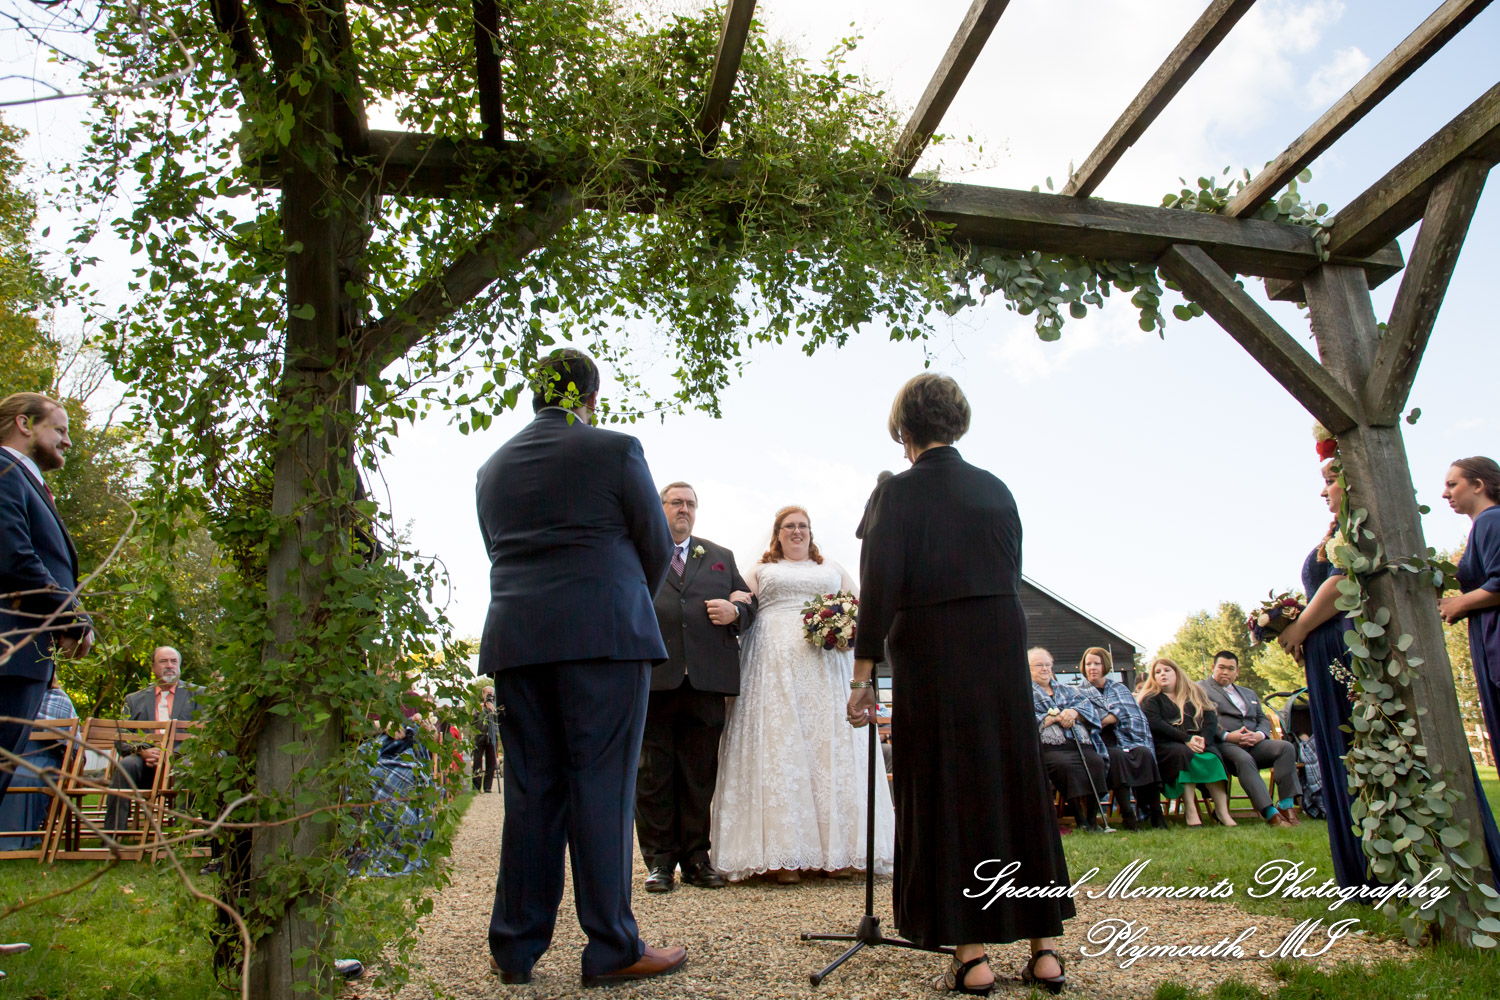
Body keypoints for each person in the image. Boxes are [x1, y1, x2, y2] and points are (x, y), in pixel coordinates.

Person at [849, 374, 1072, 996]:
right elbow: (1011, 571)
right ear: (957, 422)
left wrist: (863, 677)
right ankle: (1045, 948)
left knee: (947, 786)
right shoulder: (996, 489)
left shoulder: (895, 494)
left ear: (904, 431)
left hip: (934, 651)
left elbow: (880, 592)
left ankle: (972, 957)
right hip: (1000, 645)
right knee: (1012, 781)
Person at [475, 348, 684, 987]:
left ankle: (515, 948)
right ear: (591, 399)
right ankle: (612, 947)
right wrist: (617, 602)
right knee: (602, 786)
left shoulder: (492, 468)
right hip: (605, 641)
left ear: (536, 397)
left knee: (532, 790)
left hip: (518, 640)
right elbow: (657, 546)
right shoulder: (615, 450)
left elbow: (495, 547)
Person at [710, 505, 894, 884]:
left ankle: (838, 852)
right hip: (773, 668)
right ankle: (784, 856)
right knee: (781, 747)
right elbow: (742, 600)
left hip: (827, 667)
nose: (797, 532)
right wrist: (734, 605)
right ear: (776, 533)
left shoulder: (832, 569)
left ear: (811, 532)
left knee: (829, 750)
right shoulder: (762, 571)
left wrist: (848, 632)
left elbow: (862, 609)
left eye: (803, 527)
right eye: (789, 527)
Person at [637, 482, 754, 893]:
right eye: (676, 503)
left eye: (690, 504)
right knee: (654, 774)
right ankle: (659, 862)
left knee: (699, 773)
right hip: (655, 678)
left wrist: (736, 611)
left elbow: (749, 602)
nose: (683, 509)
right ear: (661, 508)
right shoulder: (641, 549)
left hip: (706, 680)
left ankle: (697, 858)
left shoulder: (720, 556)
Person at [1276, 452, 1382, 889]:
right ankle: (1359, 866)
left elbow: (1340, 583)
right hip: (1324, 649)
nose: (1323, 491)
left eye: (1330, 480)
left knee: (1351, 745)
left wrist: (1298, 628)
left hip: (1344, 648)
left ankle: (1374, 860)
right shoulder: (1336, 530)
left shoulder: (1363, 525)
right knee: (1335, 747)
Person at [0, 393, 91, 805]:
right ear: (24, 424)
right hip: (9, 651)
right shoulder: (4, 470)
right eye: (60, 429)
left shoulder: (25, 480)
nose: (67, 442)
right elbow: (15, 557)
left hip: (23, 656)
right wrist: (71, 620)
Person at [1435, 456, 1500, 882]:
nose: (1445, 493)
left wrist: (1460, 602)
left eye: (1452, 484)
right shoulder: (1481, 526)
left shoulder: (1493, 520)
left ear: (1478, 484)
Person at [104, 646, 202, 831]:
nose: (169, 666)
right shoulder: (133, 700)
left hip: (183, 761)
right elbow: (121, 737)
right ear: (153, 667)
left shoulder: (199, 694)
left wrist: (174, 755)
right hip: (146, 764)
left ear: (179, 667)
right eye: (163, 661)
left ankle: (181, 837)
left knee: (188, 768)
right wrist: (142, 751)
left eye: (174, 661)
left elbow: (208, 733)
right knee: (125, 766)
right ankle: (112, 837)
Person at [1198, 651, 1300, 828]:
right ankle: (1270, 813)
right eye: (1221, 667)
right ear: (1213, 668)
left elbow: (1262, 719)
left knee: (1286, 747)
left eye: (1231, 669)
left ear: (1237, 672)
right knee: (1244, 759)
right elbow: (1202, 718)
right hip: (1225, 744)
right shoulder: (1201, 688)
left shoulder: (1249, 693)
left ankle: (1286, 806)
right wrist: (1229, 736)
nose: (1225, 672)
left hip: (1254, 743)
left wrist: (1259, 735)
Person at [1137, 657, 1235, 828]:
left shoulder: (1194, 693)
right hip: (1167, 745)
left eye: (1167, 670)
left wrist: (1204, 739)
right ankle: (1190, 810)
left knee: (1213, 756)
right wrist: (1186, 739)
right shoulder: (1150, 699)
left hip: (1199, 740)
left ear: (1176, 673)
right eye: (1158, 672)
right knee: (1183, 754)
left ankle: (1222, 812)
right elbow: (1156, 724)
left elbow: (1210, 717)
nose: (1162, 674)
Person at [1076, 646, 1165, 830]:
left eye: (1097, 663)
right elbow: (1086, 719)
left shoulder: (1119, 688)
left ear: (1105, 666)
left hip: (1128, 737)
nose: (1092, 667)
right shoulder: (1078, 692)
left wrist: (1107, 717)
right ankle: (1128, 815)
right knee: (1115, 756)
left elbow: (1131, 714)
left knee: (1144, 753)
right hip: (1099, 741)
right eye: (1088, 663)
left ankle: (1157, 814)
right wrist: (1110, 717)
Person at [1028, 647, 1110, 833]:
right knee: (1065, 766)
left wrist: (1074, 712)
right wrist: (1052, 718)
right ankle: (1080, 819)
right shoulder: (1024, 693)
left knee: (1096, 762)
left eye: (1048, 665)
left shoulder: (1067, 690)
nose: (1045, 669)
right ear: (1028, 669)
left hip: (1078, 741)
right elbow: (1024, 720)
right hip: (1050, 747)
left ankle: (1092, 818)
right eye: (1039, 665)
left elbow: (1087, 708)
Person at [0, 675, 75, 849]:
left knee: (26, 778)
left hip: (45, 756)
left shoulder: (58, 698)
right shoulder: (11, 698)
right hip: (12, 754)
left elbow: (69, 745)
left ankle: (19, 838)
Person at [470, 686, 498, 793]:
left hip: (492, 734)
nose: (490, 695)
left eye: (491, 693)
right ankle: (476, 786)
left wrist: (493, 710)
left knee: (491, 761)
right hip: (480, 735)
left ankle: (488, 786)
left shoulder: (496, 706)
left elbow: (500, 719)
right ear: (483, 694)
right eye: (488, 693)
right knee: (477, 760)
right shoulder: (477, 706)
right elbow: (473, 721)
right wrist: (480, 712)